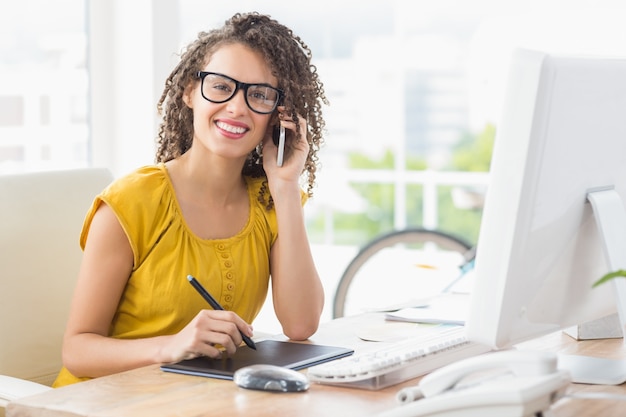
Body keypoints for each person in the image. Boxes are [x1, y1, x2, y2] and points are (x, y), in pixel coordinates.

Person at [53, 12, 327, 387]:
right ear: (189, 92)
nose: (237, 107)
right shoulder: (133, 201)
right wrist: (171, 346)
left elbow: (301, 325)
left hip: (193, 400)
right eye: (220, 86)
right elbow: (77, 349)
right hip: (95, 403)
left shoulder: (272, 202)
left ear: (277, 116)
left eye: (259, 95)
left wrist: (284, 185)